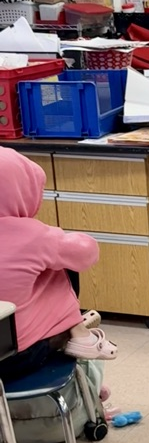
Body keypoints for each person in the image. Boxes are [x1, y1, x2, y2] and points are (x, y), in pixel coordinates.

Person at [0, 148, 117, 381]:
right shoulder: (32, 235)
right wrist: (56, 236)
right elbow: (86, 254)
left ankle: (77, 332)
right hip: (16, 356)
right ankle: (77, 331)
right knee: (58, 267)